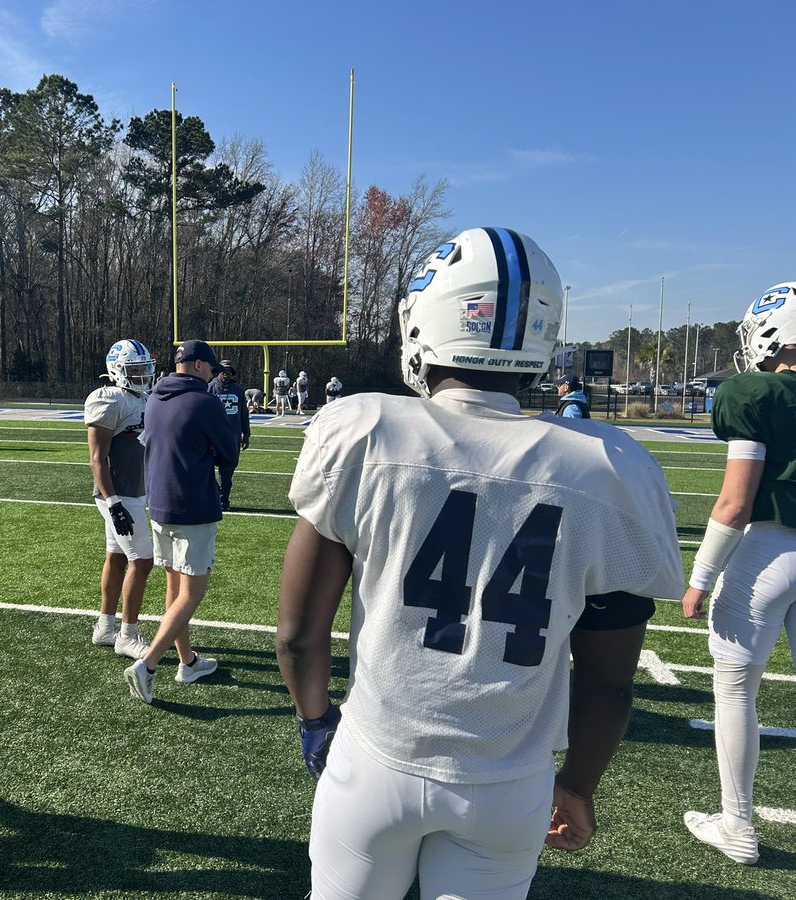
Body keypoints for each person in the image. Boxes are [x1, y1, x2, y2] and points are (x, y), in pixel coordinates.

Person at [274, 228, 684, 899]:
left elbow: (297, 635)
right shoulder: (609, 467)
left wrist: (316, 723)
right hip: (508, 783)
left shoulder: (364, 429)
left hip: (376, 762)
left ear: (426, 320)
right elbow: (608, 685)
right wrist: (577, 785)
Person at [681, 281, 796, 866]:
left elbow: (734, 502)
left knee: (734, 690)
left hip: (768, 554)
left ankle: (738, 826)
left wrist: (700, 576)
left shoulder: (753, 392)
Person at [124, 340, 240, 703]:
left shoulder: (155, 396)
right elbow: (229, 454)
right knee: (191, 593)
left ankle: (187, 661)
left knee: (174, 588)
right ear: (203, 366)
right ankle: (150, 663)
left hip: (159, 502)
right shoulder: (206, 402)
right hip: (193, 504)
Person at [86, 339, 156, 659]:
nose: (142, 375)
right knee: (141, 561)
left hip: (132, 493)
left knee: (116, 558)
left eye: (144, 369)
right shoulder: (109, 399)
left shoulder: (138, 397)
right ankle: (127, 635)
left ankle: (105, 627)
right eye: (135, 370)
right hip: (119, 495)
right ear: (117, 371)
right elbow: (97, 458)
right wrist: (113, 502)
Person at [208, 359, 251, 511]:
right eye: (223, 370)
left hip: (232, 437)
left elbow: (243, 414)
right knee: (206, 470)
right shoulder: (209, 388)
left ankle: (223, 500)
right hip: (211, 438)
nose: (225, 374)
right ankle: (212, 497)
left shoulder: (238, 390)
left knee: (227, 473)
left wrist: (246, 434)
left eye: (228, 371)